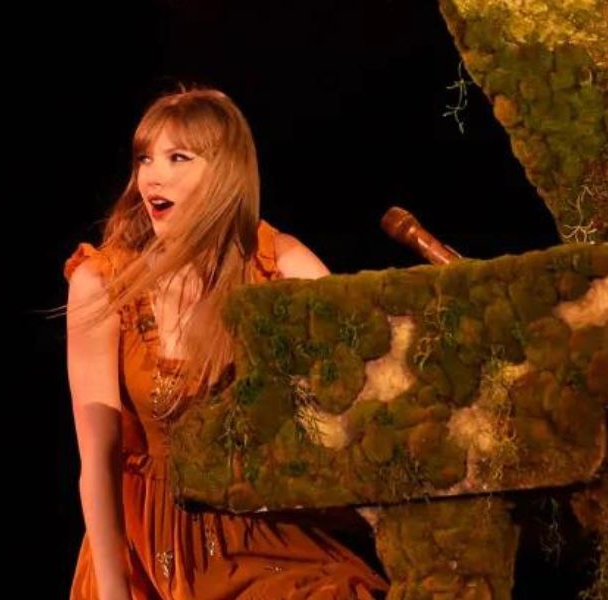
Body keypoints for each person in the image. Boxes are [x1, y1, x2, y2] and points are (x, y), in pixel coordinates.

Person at [63, 86, 388, 600]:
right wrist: (113, 591)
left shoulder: (278, 265)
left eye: (177, 157)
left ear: (223, 172)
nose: (152, 176)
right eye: (145, 158)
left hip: (259, 533)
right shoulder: (105, 282)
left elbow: (362, 385)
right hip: (149, 548)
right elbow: (97, 462)